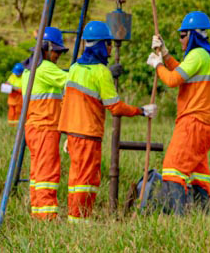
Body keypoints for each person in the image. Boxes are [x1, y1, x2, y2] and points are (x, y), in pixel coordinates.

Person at [58, 21, 155, 222]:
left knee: (75, 179)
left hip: (73, 133)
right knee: (87, 181)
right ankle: (80, 222)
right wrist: (141, 111)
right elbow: (115, 107)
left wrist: (67, 135)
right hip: (88, 135)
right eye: (109, 44)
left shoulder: (75, 67)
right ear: (102, 45)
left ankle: (73, 219)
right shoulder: (101, 73)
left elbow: (69, 99)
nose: (111, 48)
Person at [148, 11, 210, 213]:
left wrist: (157, 65)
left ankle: (177, 221)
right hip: (206, 126)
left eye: (182, 35)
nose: (180, 39)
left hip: (193, 123)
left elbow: (172, 80)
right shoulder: (207, 56)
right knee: (199, 173)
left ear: (192, 35)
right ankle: (202, 215)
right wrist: (165, 54)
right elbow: (183, 71)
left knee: (173, 168)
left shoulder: (196, 55)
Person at [22, 27, 71, 219]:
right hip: (45, 127)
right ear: (46, 48)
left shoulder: (29, 69)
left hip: (33, 128)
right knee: (47, 174)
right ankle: (47, 217)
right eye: (56, 51)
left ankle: (38, 212)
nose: (58, 55)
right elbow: (75, 81)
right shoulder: (45, 68)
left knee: (37, 173)